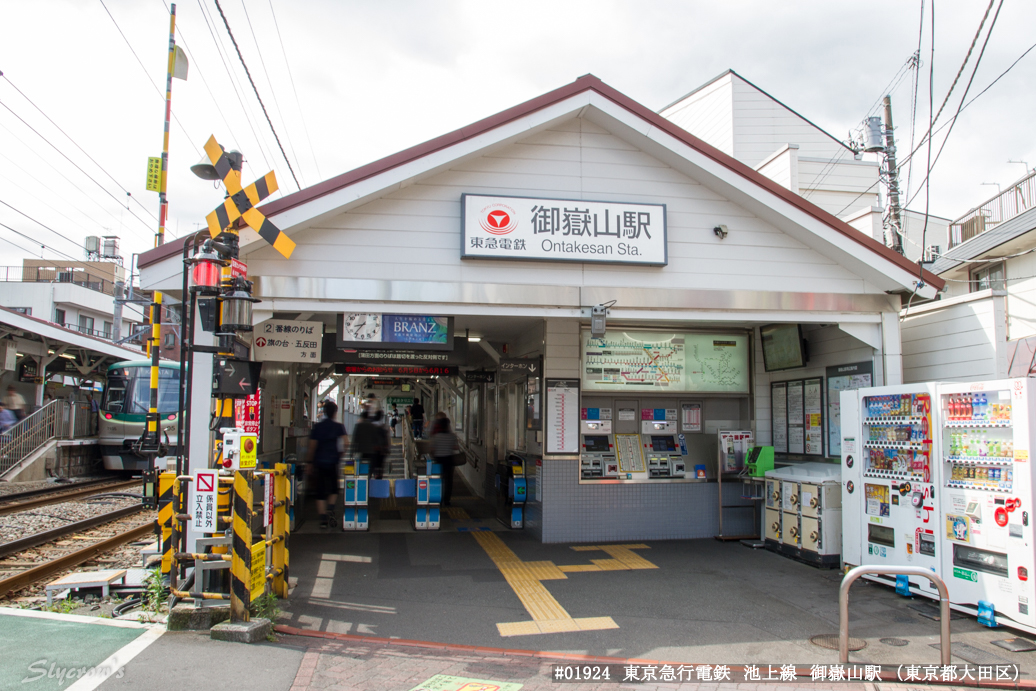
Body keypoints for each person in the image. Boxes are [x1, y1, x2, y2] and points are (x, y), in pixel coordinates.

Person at [306, 400, 348, 530]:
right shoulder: (338, 426)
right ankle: (330, 508)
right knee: (334, 489)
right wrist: (340, 454)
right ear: (335, 413)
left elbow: (312, 446)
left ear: (324, 412)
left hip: (319, 463)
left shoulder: (317, 427)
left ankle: (323, 519)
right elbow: (346, 443)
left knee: (320, 492)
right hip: (333, 462)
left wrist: (309, 463)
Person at [429, 412, 460, 507]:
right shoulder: (452, 436)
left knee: (437, 479)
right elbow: (456, 447)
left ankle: (437, 498)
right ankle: (447, 500)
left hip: (438, 459)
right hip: (449, 459)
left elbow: (432, 449)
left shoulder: (436, 437)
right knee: (448, 481)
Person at [351, 407, 388, 480]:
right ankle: (370, 476)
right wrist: (381, 448)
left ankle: (361, 478)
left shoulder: (358, 425)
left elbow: (355, 439)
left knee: (360, 466)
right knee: (372, 465)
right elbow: (376, 438)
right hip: (371, 451)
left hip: (360, 450)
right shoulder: (372, 426)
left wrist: (352, 451)